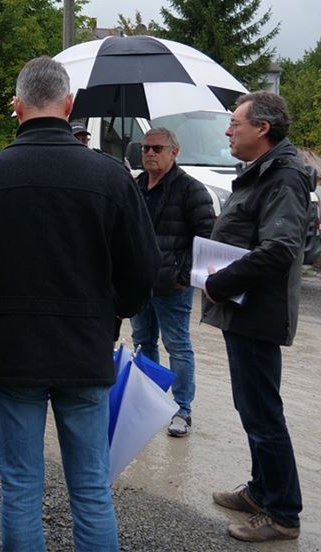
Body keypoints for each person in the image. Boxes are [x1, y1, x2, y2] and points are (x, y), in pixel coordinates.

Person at [0, 57, 159, 551]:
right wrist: (111, 316)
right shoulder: (111, 178)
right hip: (84, 350)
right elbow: (143, 270)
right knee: (90, 487)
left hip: (12, 352)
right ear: (69, 105)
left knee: (20, 487)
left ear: (17, 107)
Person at [204, 91, 310, 543]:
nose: (229, 130)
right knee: (251, 408)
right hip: (243, 311)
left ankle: (283, 514)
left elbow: (282, 250)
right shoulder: (262, 172)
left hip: (257, 313)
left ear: (262, 129)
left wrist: (219, 282)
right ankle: (262, 490)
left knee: (264, 413)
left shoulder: (283, 177)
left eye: (235, 123)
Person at [129, 127, 214, 437]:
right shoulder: (135, 185)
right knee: (142, 343)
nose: (150, 153)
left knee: (177, 346)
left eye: (157, 148)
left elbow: (205, 237)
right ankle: (149, 402)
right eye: (146, 148)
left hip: (172, 287)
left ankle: (182, 410)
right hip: (140, 284)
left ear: (174, 152)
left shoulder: (191, 190)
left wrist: (184, 277)